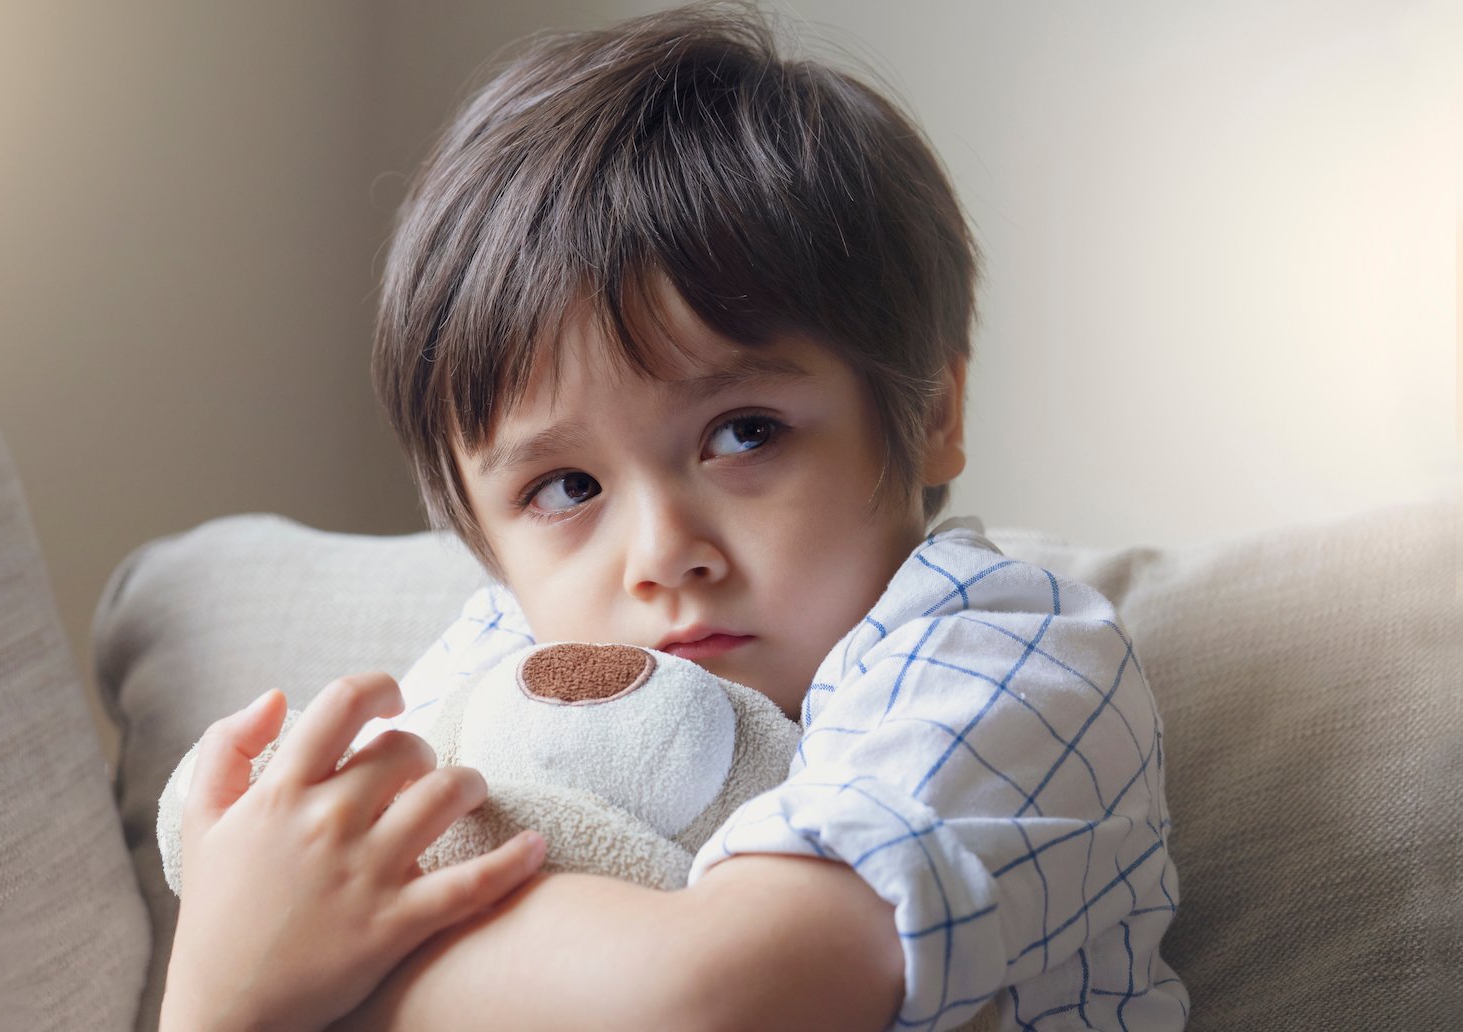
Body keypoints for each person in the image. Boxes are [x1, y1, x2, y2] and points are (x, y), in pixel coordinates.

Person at [160, 4, 1187, 1030]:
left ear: (930, 415)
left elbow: (716, 997)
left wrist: (257, 986)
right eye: (565, 489)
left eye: (744, 433)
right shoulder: (508, 656)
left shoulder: (1008, 658)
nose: (660, 557)